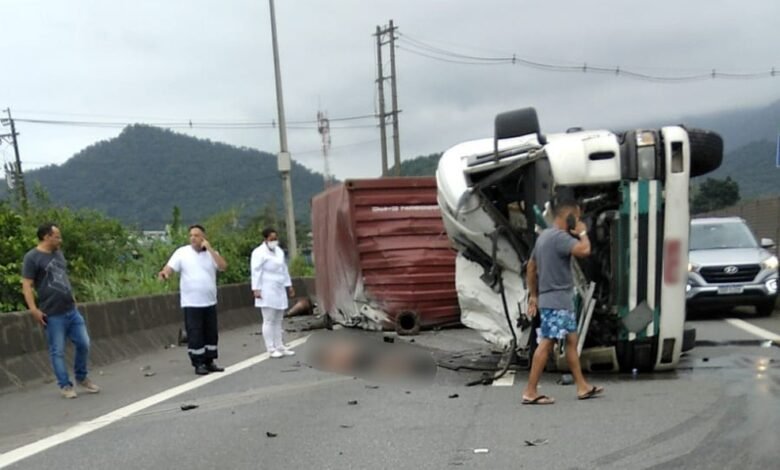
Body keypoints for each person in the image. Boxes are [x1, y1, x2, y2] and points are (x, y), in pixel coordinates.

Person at [522, 202, 604, 405]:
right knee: (548, 342)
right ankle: (530, 391)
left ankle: (582, 386)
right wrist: (583, 233)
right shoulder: (560, 238)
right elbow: (585, 250)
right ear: (567, 217)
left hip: (558, 300)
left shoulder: (543, 237)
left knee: (571, 341)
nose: (578, 222)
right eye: (575, 218)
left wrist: (534, 294)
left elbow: (531, 267)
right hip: (556, 300)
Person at [21, 222, 100, 399]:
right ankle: (65, 385)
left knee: (83, 343)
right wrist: (33, 309)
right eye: (57, 236)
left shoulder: (58, 254)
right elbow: (26, 285)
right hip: (52, 312)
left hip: (70, 309)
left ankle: (81, 376)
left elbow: (63, 276)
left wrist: (72, 296)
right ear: (46, 237)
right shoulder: (32, 258)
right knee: (57, 350)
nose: (60, 240)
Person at [158, 224, 228, 375]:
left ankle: (210, 361)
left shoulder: (211, 253)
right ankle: (198, 363)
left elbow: (223, 266)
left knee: (211, 333)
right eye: (191, 235)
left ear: (203, 237)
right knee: (195, 333)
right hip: (192, 302)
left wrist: (209, 249)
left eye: (196, 235)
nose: (193, 238)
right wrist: (165, 273)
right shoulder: (182, 253)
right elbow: (169, 267)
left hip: (209, 301)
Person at [250, 227, 295, 358]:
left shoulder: (279, 251)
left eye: (275, 239)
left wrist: (289, 285)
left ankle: (280, 345)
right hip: (266, 287)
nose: (274, 241)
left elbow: (284, 269)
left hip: (279, 287)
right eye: (271, 239)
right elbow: (255, 271)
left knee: (278, 319)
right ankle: (271, 348)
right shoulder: (259, 252)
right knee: (269, 319)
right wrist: (256, 289)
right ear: (265, 239)